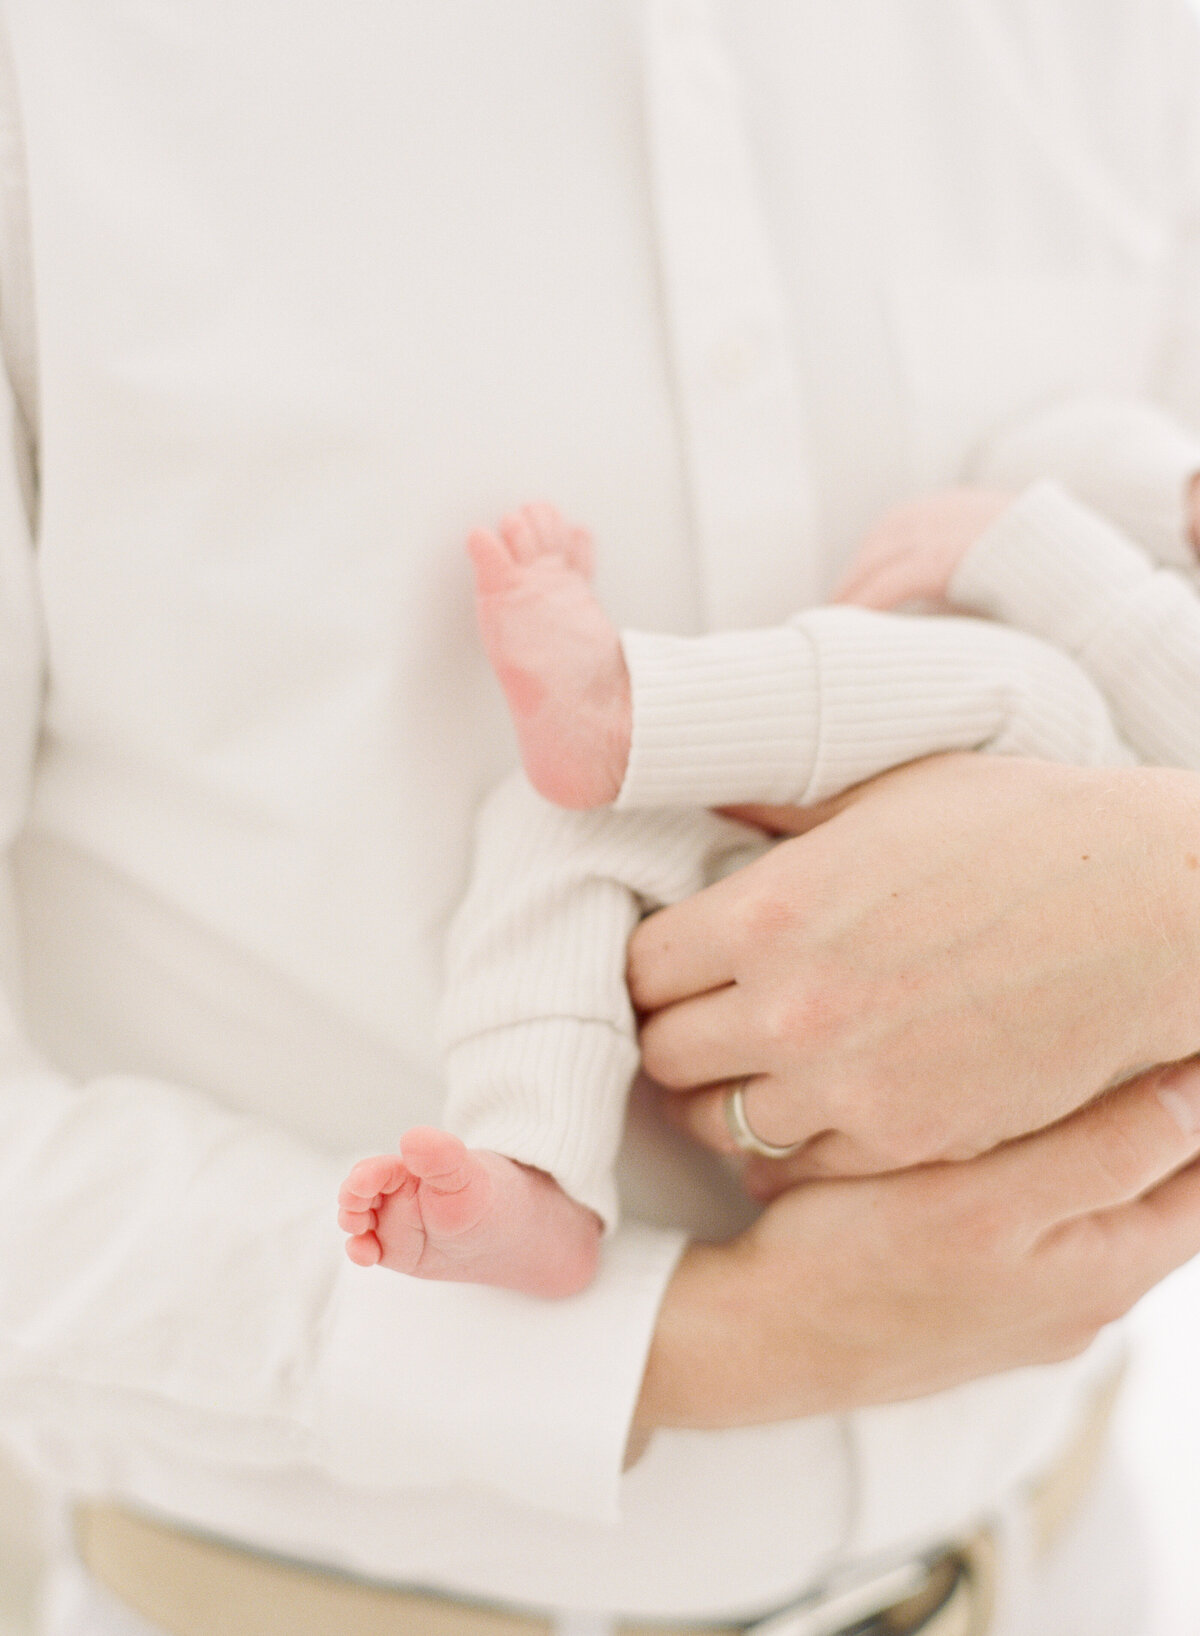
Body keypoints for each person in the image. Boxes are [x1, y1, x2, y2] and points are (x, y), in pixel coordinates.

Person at [2, 4, 1200, 1635]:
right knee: (562, 848)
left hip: (1071, 1563)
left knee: (797, 746)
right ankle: (534, 1159)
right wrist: (696, 1345)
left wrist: (1168, 902)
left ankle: (637, 718)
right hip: (299, 1596)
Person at [337, 451, 1200, 1297]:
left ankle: (631, 710)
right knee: (558, 822)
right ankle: (538, 1163)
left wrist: (1036, 549)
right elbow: (1071, 441)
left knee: (1033, 686)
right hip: (822, 1017)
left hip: (1116, 993)